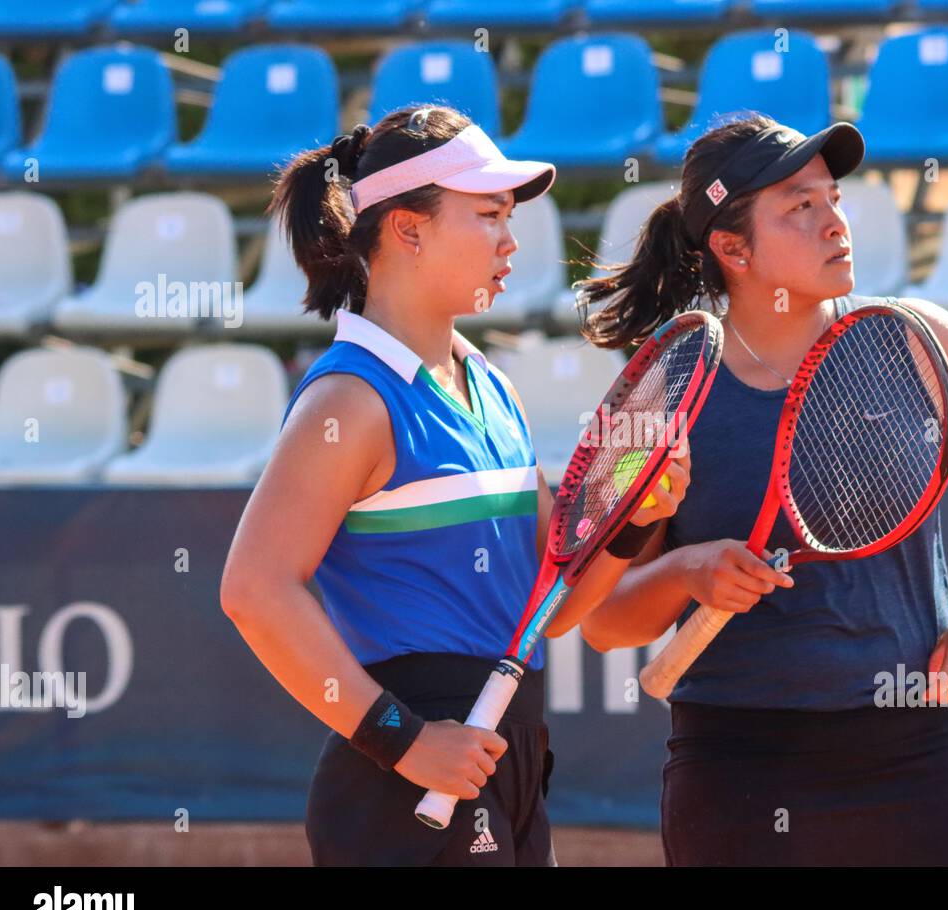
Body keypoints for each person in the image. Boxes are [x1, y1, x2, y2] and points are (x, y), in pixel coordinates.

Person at [577, 114, 948, 866]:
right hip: (736, 762)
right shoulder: (663, 396)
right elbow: (603, 622)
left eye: (831, 198)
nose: (834, 222)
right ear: (732, 247)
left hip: (921, 745)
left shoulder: (922, 341)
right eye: (799, 208)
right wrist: (688, 570)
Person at [220, 105, 690, 866]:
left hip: (505, 758)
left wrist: (636, 518)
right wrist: (399, 739)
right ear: (408, 229)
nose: (512, 241)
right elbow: (253, 589)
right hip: (407, 776)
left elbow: (555, 603)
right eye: (489, 215)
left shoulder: (489, 385)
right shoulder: (350, 400)